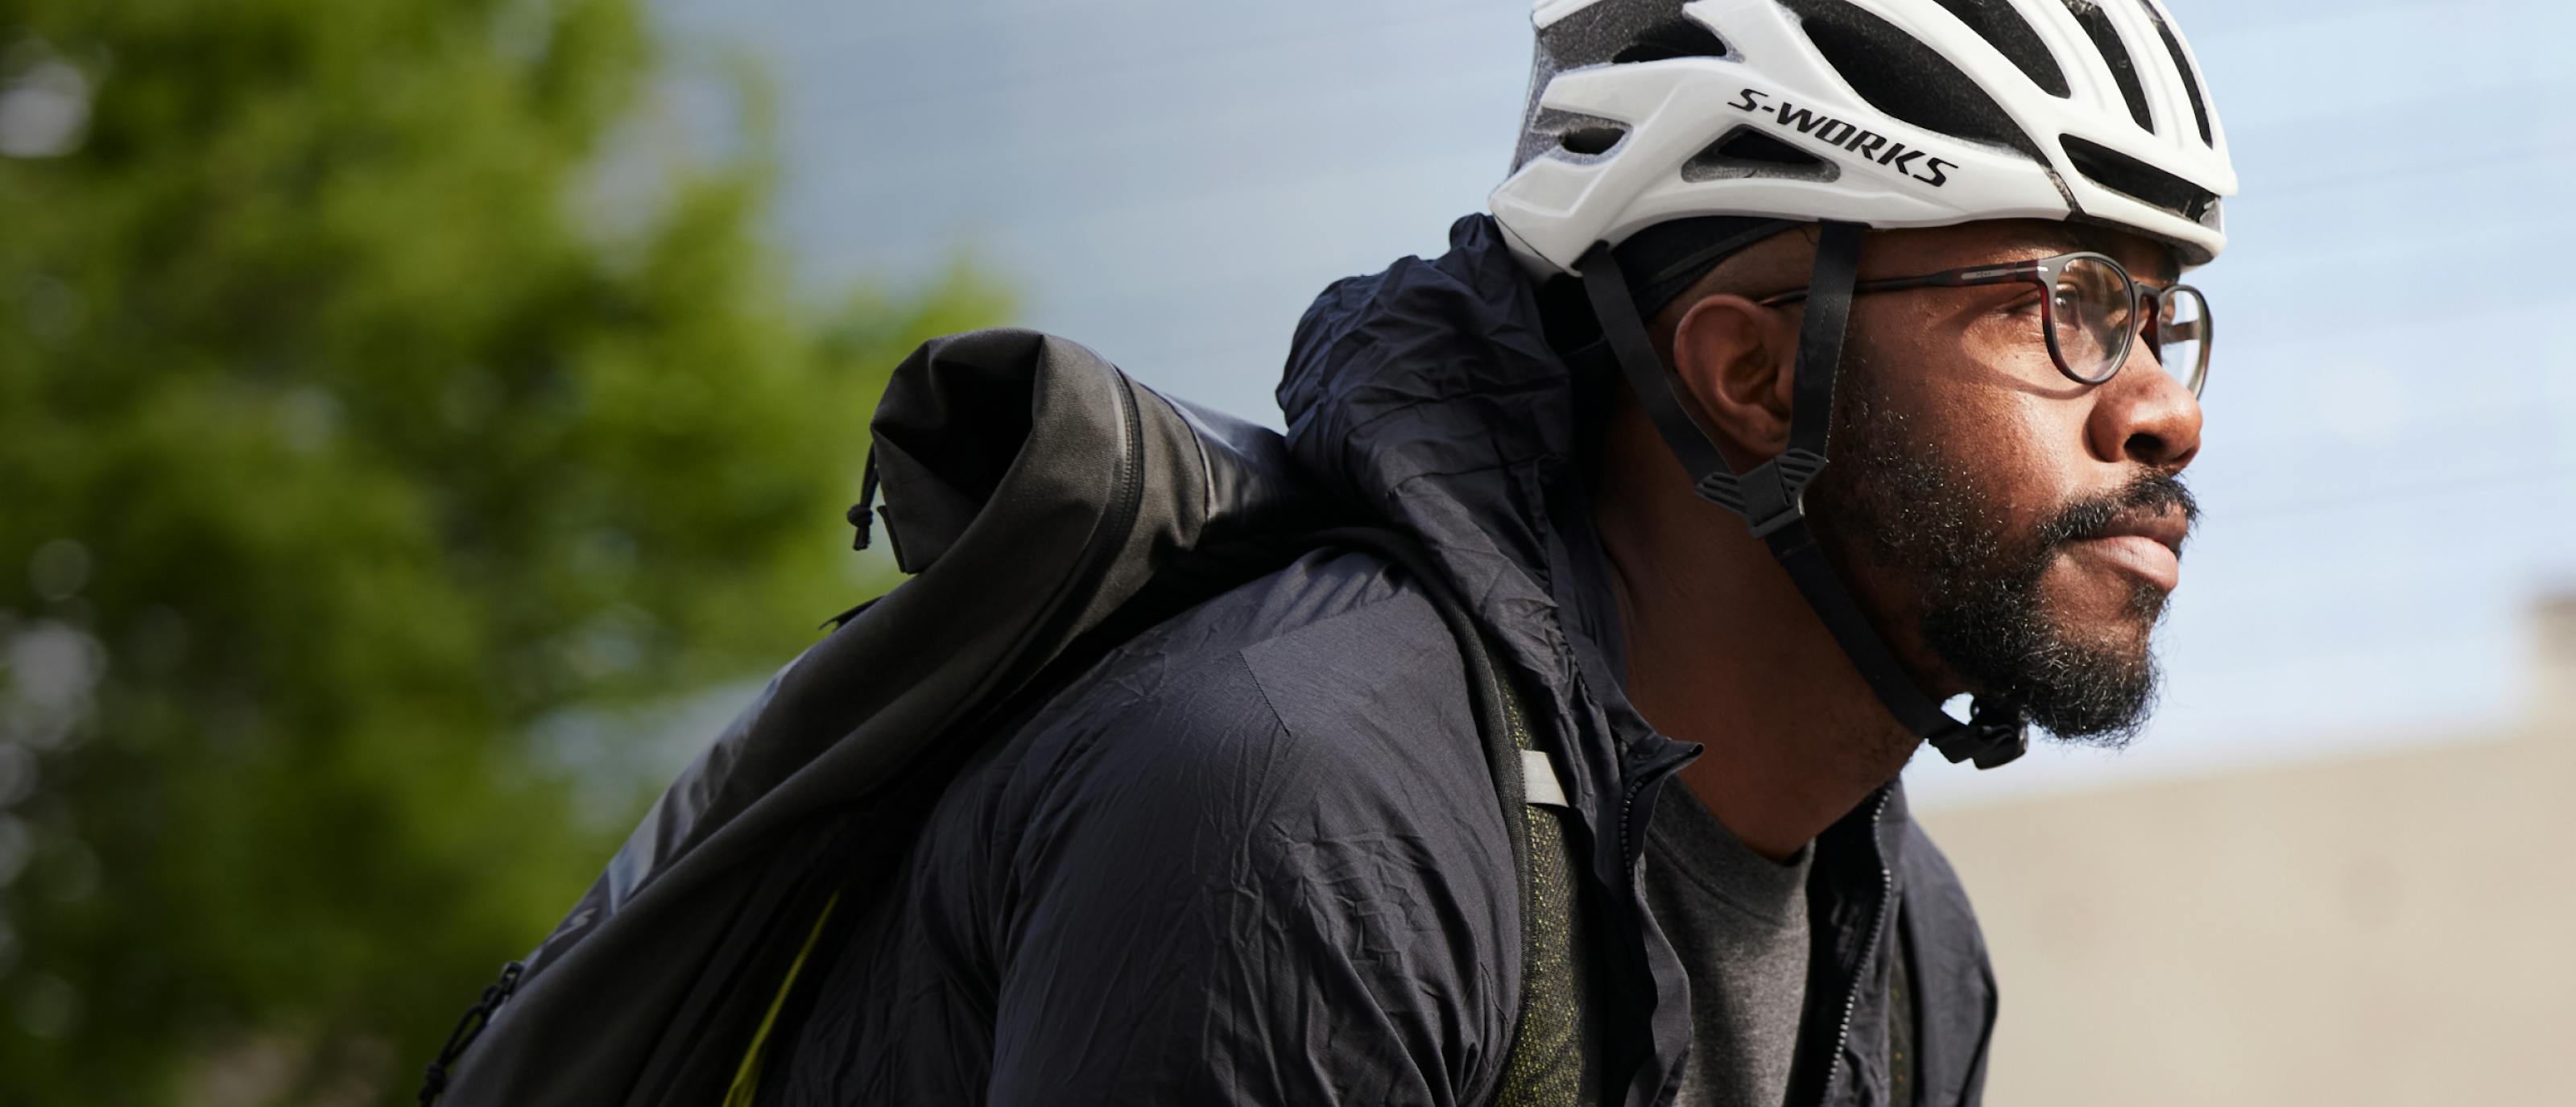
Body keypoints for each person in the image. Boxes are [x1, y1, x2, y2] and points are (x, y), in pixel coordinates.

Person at [758, 0, 2237, 1103]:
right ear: (1754, 375)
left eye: (2164, 321)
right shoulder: (1307, 816)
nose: (2165, 406)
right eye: (2071, 302)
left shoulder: (1913, 951)